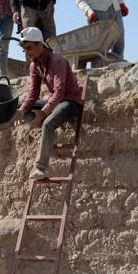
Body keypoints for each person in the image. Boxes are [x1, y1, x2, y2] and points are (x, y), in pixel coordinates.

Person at [14, 27, 84, 180]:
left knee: (47, 124)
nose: (27, 53)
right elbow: (33, 93)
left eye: (29, 48)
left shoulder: (57, 61)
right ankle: (45, 127)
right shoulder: (34, 65)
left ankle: (40, 168)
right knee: (19, 105)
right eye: (24, 50)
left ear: (40, 45)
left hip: (70, 102)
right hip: (56, 102)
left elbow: (59, 92)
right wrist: (21, 111)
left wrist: (43, 113)